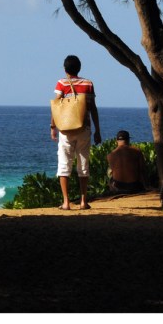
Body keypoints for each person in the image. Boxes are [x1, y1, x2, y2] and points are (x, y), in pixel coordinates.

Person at [50, 55, 102, 210]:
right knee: (83, 164)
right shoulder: (88, 83)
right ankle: (83, 201)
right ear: (79, 68)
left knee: (64, 164)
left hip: (66, 129)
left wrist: (53, 127)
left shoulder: (62, 83)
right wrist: (97, 130)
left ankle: (66, 202)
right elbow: (93, 108)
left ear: (65, 70)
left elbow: (57, 106)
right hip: (84, 128)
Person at [107, 130, 147, 194]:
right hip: (134, 187)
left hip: (118, 187)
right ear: (128, 140)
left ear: (116, 141)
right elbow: (142, 170)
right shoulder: (137, 151)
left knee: (110, 175)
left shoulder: (110, 155)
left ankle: (112, 190)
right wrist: (146, 186)